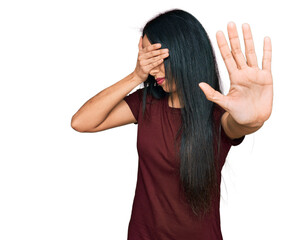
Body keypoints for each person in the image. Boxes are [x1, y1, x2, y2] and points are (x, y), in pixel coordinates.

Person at [71, 9, 273, 240]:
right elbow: (81, 122)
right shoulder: (146, 102)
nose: (152, 68)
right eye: (147, 59)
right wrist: (136, 76)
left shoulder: (217, 115)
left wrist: (253, 119)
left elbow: (240, 125)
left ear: (184, 52)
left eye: (157, 58)